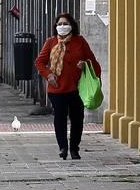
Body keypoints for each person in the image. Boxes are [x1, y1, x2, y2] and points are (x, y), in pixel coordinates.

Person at [34, 13, 101, 160]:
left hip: (77, 88)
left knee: (77, 119)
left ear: (71, 25)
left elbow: (93, 62)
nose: (62, 26)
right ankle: (63, 147)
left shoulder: (80, 41)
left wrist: (85, 65)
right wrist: (48, 75)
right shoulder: (51, 42)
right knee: (60, 118)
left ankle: (74, 148)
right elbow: (39, 62)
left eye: (65, 23)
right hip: (57, 88)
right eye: (59, 24)